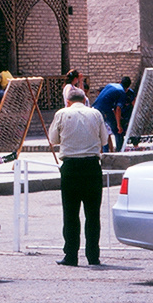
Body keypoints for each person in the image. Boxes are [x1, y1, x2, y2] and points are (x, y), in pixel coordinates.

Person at [47, 86, 110, 267]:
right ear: (84, 100)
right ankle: (93, 255)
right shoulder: (96, 114)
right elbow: (104, 140)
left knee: (71, 214)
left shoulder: (61, 113)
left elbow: (54, 139)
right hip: (91, 167)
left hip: (71, 167)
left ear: (68, 101)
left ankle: (71, 255)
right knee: (93, 215)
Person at [92, 78, 129, 151]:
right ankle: (119, 152)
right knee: (118, 131)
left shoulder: (110, 85)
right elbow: (118, 109)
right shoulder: (122, 92)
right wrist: (119, 125)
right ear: (127, 88)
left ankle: (105, 152)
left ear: (120, 81)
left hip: (95, 107)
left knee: (103, 130)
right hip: (104, 110)